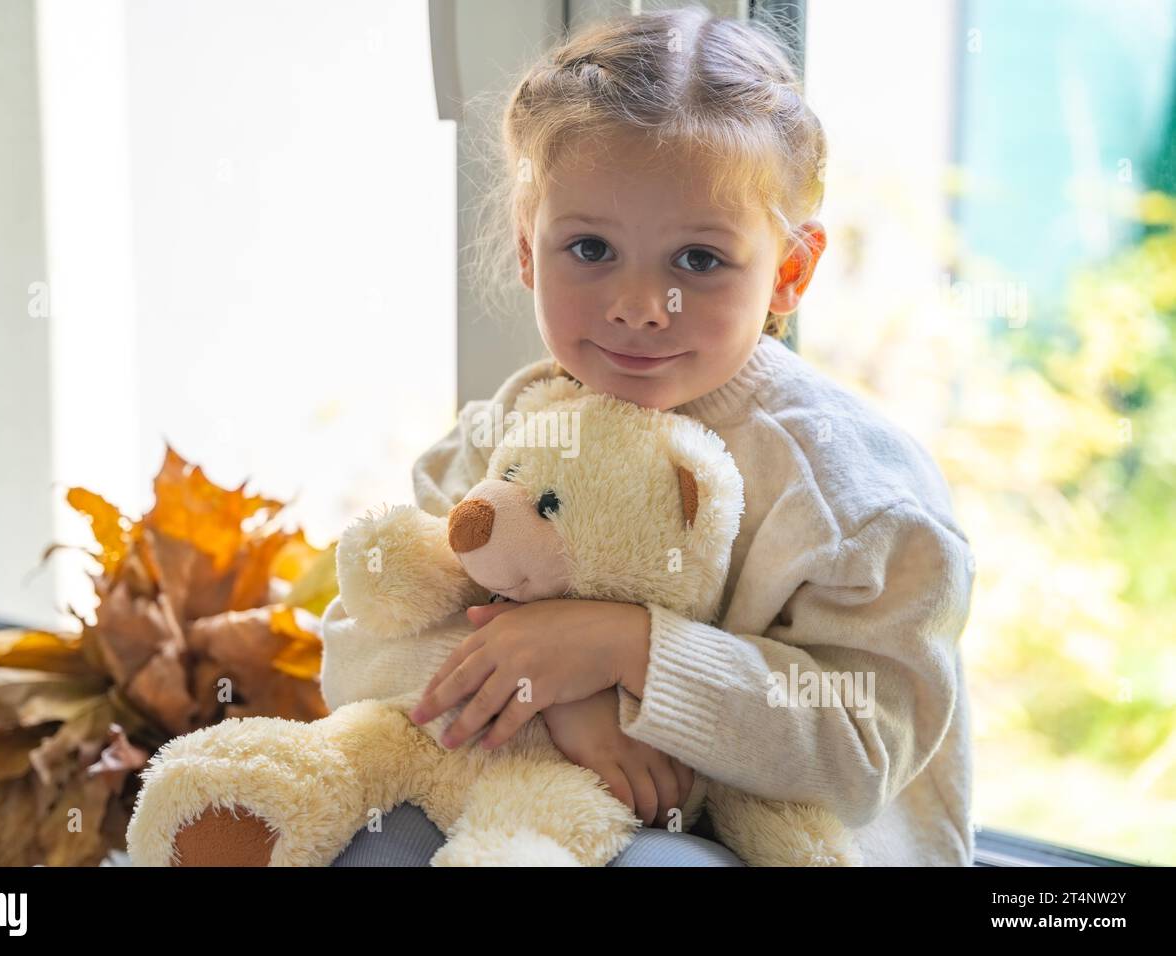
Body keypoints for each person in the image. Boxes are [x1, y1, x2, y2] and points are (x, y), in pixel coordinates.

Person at [332, 4, 975, 866]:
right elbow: (357, 648)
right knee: (373, 844)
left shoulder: (850, 491)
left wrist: (628, 653)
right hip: (527, 803)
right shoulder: (506, 432)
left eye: (698, 261)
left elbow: (863, 746)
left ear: (790, 270)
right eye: (590, 248)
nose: (639, 305)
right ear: (529, 249)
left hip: (773, 846)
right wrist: (558, 696)